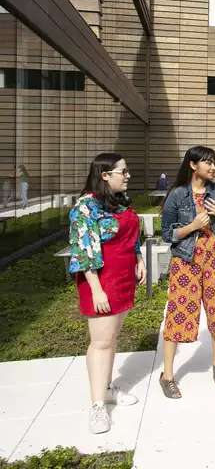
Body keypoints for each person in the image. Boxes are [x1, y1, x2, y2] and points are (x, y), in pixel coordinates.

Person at [68, 153, 146, 434]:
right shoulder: (85, 207)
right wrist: (97, 290)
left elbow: (132, 236)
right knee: (100, 343)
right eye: (122, 172)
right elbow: (83, 250)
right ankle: (98, 406)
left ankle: (108, 387)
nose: (127, 176)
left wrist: (139, 259)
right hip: (101, 282)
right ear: (104, 175)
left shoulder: (119, 202)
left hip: (124, 278)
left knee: (112, 339)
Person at [159, 146, 215, 399]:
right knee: (179, 313)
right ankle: (167, 375)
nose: (213, 167)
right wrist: (192, 226)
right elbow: (167, 233)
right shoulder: (177, 195)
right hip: (186, 260)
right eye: (208, 163)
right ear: (193, 165)